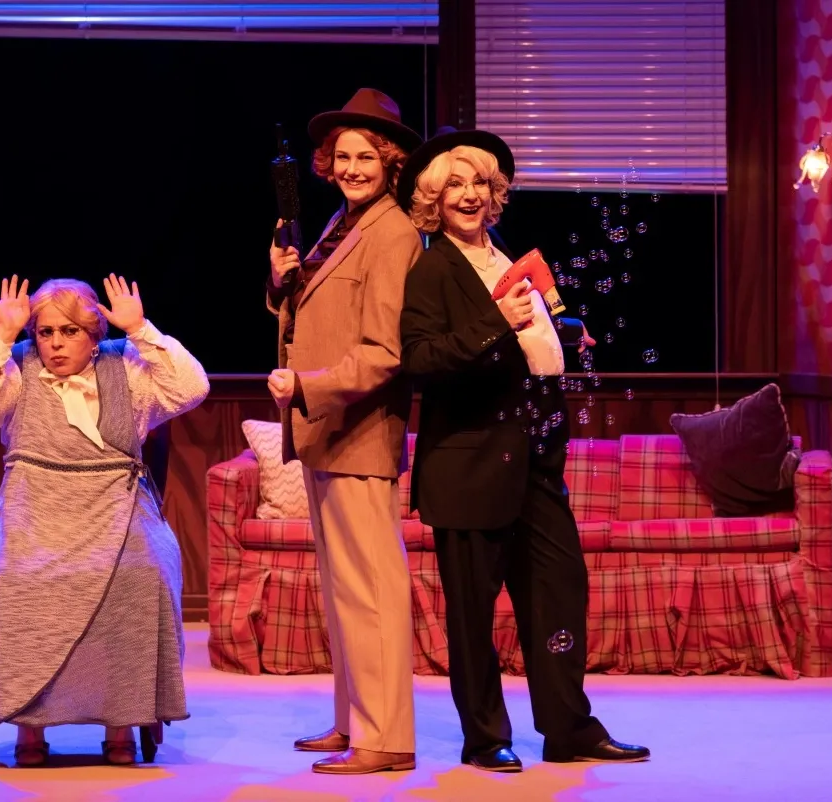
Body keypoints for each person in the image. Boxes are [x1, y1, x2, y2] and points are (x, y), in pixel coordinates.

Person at [397, 128, 650, 771]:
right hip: (469, 466)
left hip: (535, 458)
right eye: (455, 185)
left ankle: (568, 728)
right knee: (473, 615)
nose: (469, 195)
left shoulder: (503, 255)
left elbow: (520, 340)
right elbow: (420, 360)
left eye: (480, 183)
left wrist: (564, 328)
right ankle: (485, 738)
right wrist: (497, 323)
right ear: (433, 200)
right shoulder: (431, 270)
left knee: (559, 591)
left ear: (495, 194)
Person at [0, 274, 209, 767]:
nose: (55, 343)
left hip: (117, 508)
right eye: (45, 332)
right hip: (34, 510)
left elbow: (193, 387)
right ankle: (29, 723)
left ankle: (121, 722)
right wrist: (3, 336)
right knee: (16, 580)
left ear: (94, 336)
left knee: (140, 575)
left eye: (69, 332)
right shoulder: (19, 367)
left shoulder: (125, 366)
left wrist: (141, 330)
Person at [264, 88, 423, 775]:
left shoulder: (393, 233)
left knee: (371, 590)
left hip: (357, 429)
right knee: (342, 590)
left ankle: (386, 736)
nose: (353, 168)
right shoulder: (341, 222)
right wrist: (281, 284)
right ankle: (353, 719)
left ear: (391, 164)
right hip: (325, 432)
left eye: (367, 157)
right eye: (343, 157)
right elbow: (312, 313)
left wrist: (308, 386)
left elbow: (385, 351)